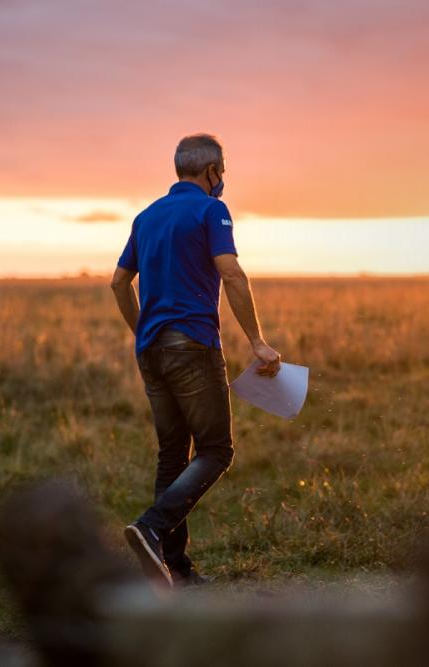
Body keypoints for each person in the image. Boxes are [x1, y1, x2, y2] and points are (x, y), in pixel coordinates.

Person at [110, 133, 281, 587]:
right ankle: (150, 526)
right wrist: (258, 342)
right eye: (222, 171)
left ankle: (176, 570)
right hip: (192, 346)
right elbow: (231, 272)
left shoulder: (146, 216)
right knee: (215, 450)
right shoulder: (212, 210)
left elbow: (118, 283)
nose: (222, 180)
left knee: (172, 456)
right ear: (211, 172)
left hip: (151, 350)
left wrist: (144, 331)